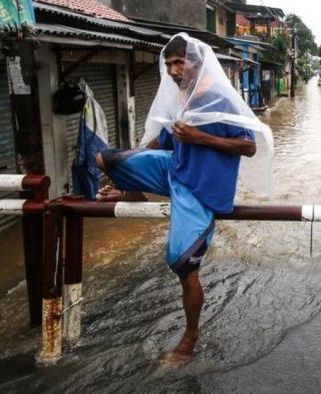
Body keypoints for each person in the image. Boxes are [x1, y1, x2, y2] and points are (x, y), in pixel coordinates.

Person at [94, 34, 273, 366]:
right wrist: (126, 169)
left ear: (197, 63)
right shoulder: (179, 99)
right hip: (172, 171)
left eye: (180, 63)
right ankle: (131, 193)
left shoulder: (220, 99)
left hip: (199, 190)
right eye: (169, 64)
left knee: (181, 262)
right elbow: (162, 143)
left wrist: (198, 136)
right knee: (105, 159)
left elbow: (249, 147)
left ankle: (190, 337)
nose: (173, 70)